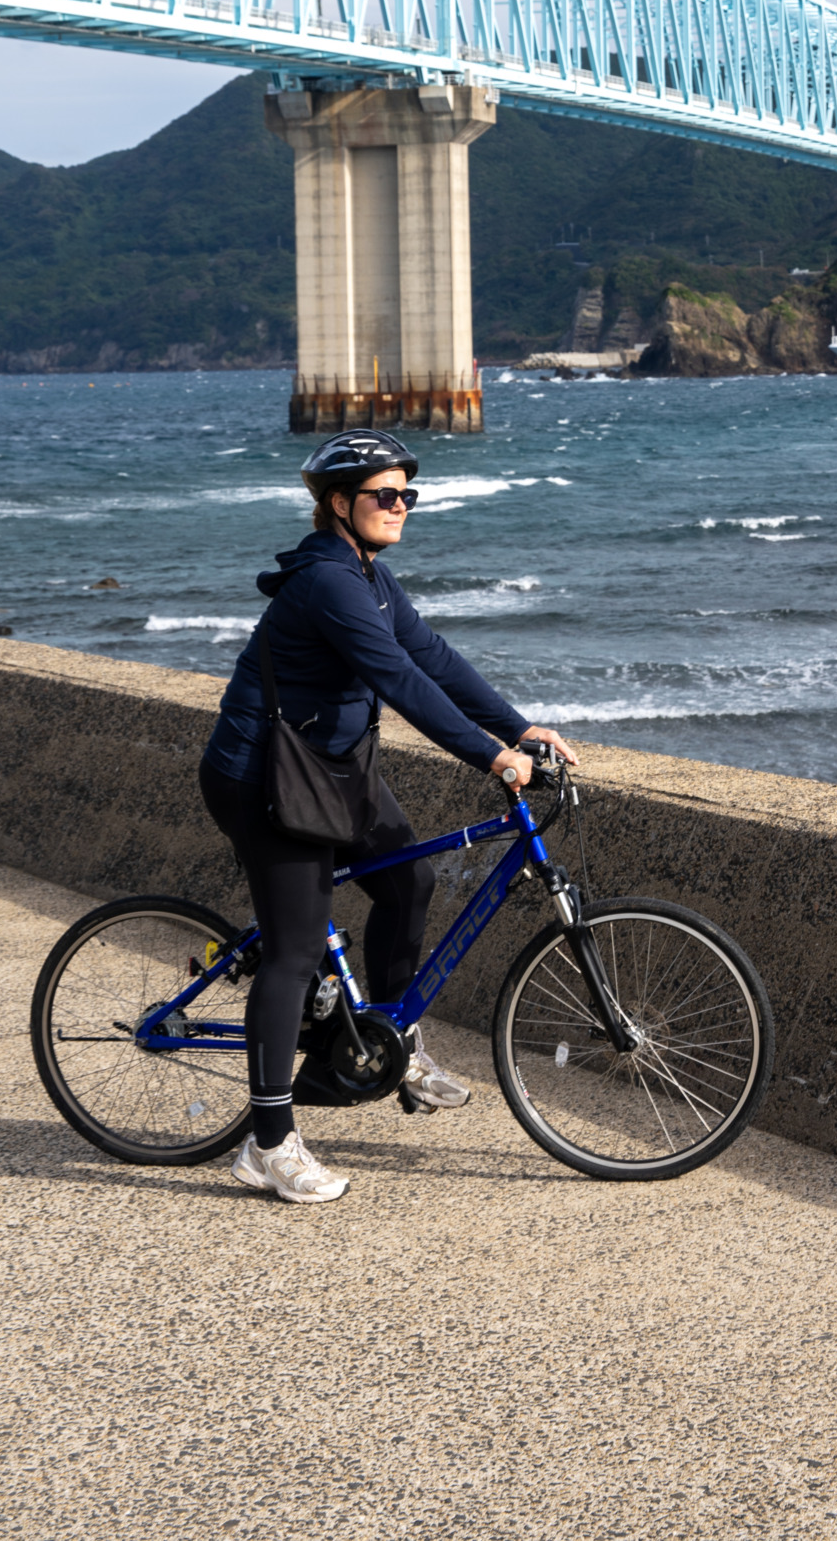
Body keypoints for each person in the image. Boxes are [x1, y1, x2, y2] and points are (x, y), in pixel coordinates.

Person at [198, 429, 577, 1205]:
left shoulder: (370, 575)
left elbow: (430, 655)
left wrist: (517, 726)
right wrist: (491, 757)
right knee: (295, 952)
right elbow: (396, 678)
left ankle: (396, 1043)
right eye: (385, 495)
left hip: (332, 768)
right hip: (266, 777)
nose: (401, 505)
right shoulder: (329, 583)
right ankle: (268, 1144)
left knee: (410, 878)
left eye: (408, 494)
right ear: (340, 504)